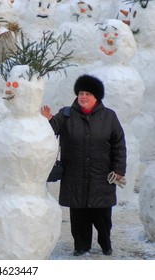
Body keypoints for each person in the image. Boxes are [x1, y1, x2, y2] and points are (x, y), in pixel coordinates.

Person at [40, 74, 127, 257]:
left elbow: (119, 144)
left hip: (101, 176)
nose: (84, 97)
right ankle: (81, 246)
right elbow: (49, 132)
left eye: (88, 93)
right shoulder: (66, 114)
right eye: (81, 93)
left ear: (97, 97)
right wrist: (45, 121)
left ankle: (105, 244)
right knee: (78, 215)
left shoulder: (109, 116)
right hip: (74, 174)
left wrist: (118, 170)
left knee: (102, 215)